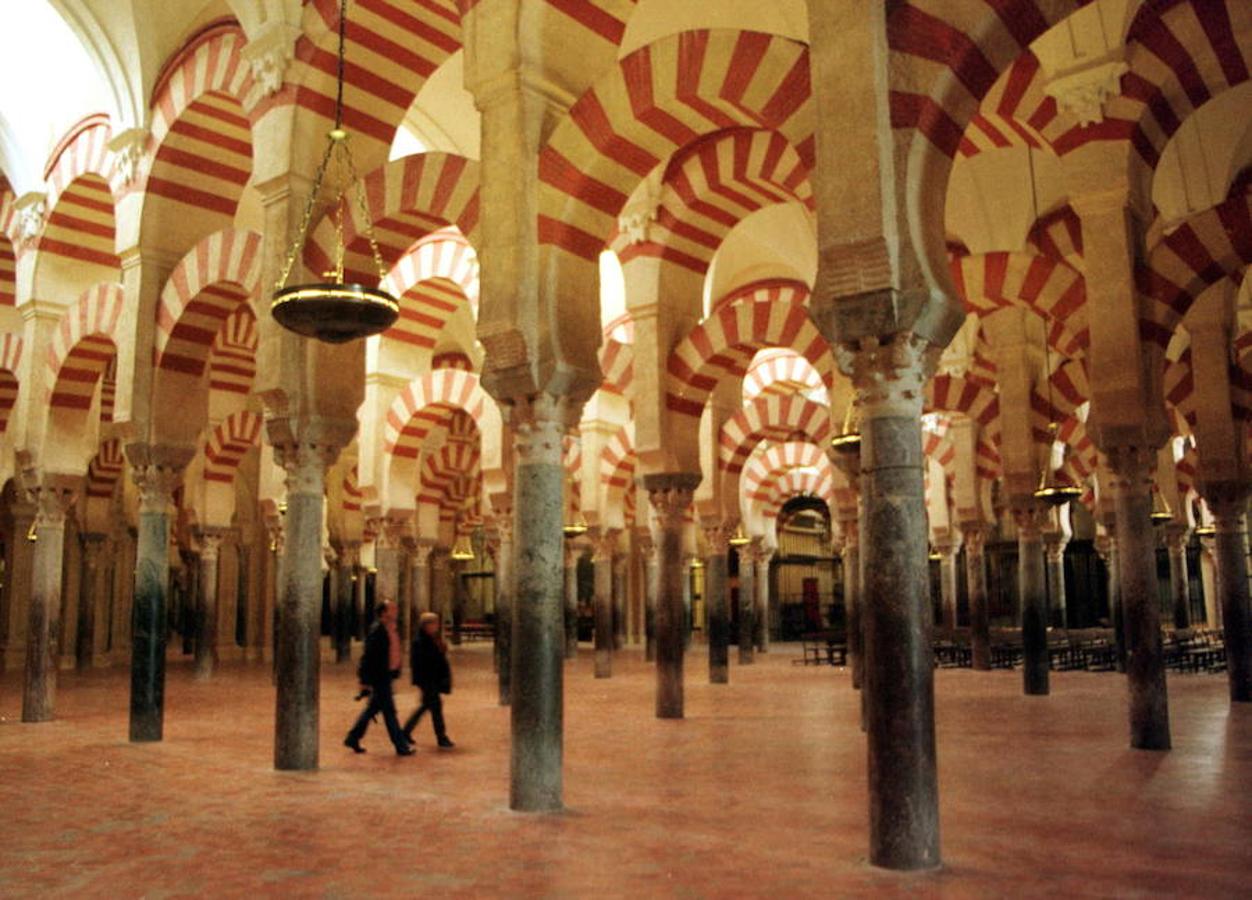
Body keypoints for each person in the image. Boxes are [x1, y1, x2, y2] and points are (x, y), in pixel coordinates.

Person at [344, 599, 414, 756]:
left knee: (372, 709)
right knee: (389, 712)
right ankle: (401, 746)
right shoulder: (377, 631)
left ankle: (352, 737)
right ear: (384, 613)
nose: (396, 611)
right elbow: (368, 657)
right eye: (393, 609)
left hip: (387, 675)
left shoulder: (392, 629)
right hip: (380, 676)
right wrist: (364, 680)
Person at [402, 612, 454, 749]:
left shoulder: (431, 638)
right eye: (434, 623)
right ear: (426, 625)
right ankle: (441, 737)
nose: (437, 626)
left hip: (432, 679)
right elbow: (422, 662)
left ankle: (405, 731)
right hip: (427, 679)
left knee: (426, 706)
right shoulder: (420, 641)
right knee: (435, 707)